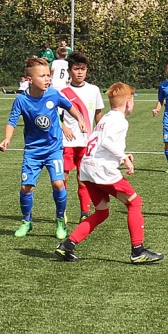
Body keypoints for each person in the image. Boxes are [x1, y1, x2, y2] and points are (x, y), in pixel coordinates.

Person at [56, 82, 163, 264]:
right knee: (135, 203)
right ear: (128, 103)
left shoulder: (105, 118)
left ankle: (67, 245)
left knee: (102, 212)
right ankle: (138, 250)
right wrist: (124, 158)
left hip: (87, 170)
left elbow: (100, 143)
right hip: (102, 171)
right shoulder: (120, 121)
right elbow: (107, 142)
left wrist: (121, 155)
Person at [0, 57, 86, 240]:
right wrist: (7, 139)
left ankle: (60, 220)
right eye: (43, 76)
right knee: (26, 188)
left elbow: (71, 107)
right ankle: (26, 222)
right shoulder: (21, 100)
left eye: (48, 75)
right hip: (32, 151)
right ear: (30, 80)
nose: (47, 79)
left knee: (58, 183)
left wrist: (79, 120)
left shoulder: (53, 94)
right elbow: (12, 121)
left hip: (53, 149)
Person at [59, 51, 104, 222]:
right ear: (70, 70)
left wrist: (100, 133)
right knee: (63, 177)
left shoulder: (94, 90)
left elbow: (98, 114)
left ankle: (84, 212)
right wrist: (64, 129)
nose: (80, 72)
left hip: (86, 142)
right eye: (76, 69)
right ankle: (61, 211)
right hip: (67, 142)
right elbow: (56, 116)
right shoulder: (62, 92)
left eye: (83, 69)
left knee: (83, 178)